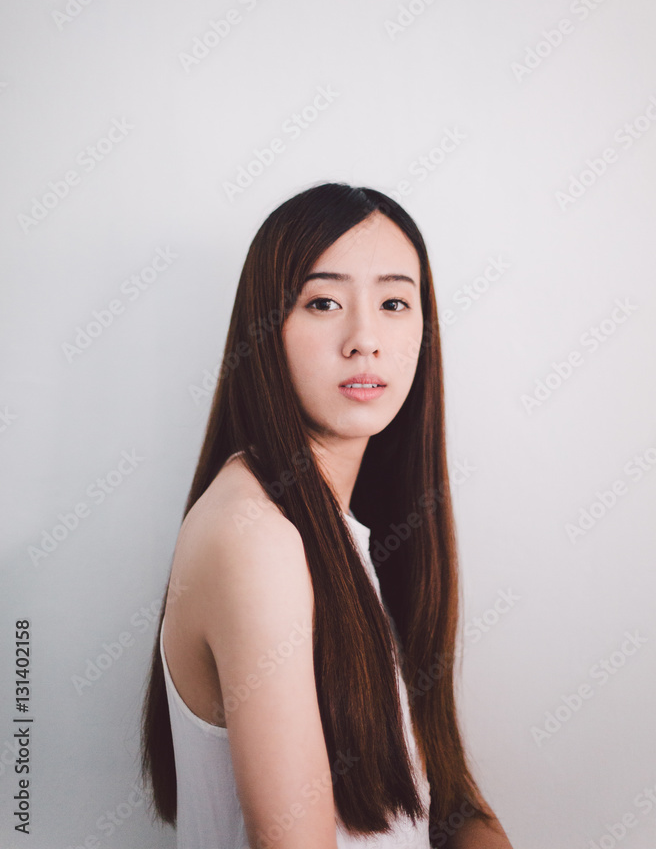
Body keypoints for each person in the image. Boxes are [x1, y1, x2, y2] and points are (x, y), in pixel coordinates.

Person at [139, 181, 514, 848]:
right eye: (322, 302)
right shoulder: (254, 536)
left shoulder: (358, 531)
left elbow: (449, 802)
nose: (364, 339)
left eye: (394, 302)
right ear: (264, 330)